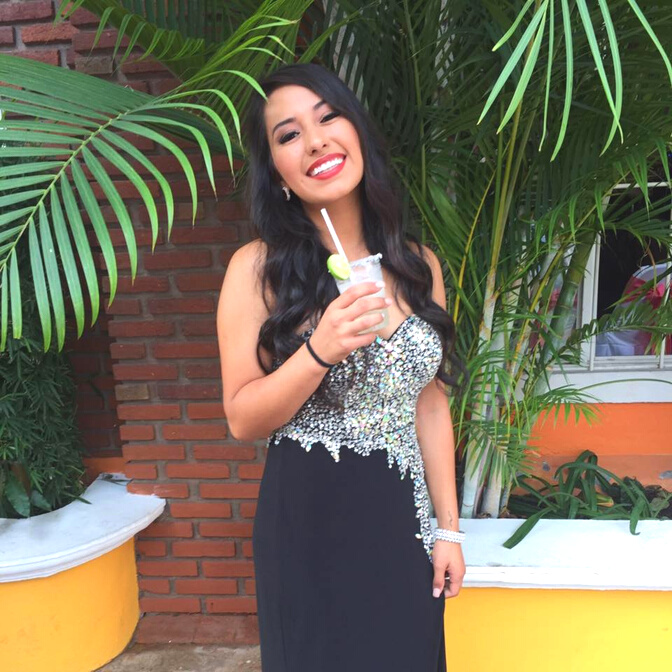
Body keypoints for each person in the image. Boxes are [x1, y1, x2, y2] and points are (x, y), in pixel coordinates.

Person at [217, 63, 465, 672]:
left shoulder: (418, 264)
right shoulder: (258, 269)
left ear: (357, 133)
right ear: (276, 172)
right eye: (289, 134)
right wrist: (319, 349)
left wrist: (449, 530)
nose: (315, 141)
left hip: (404, 523)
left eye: (328, 117)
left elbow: (431, 402)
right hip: (309, 525)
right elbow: (242, 419)